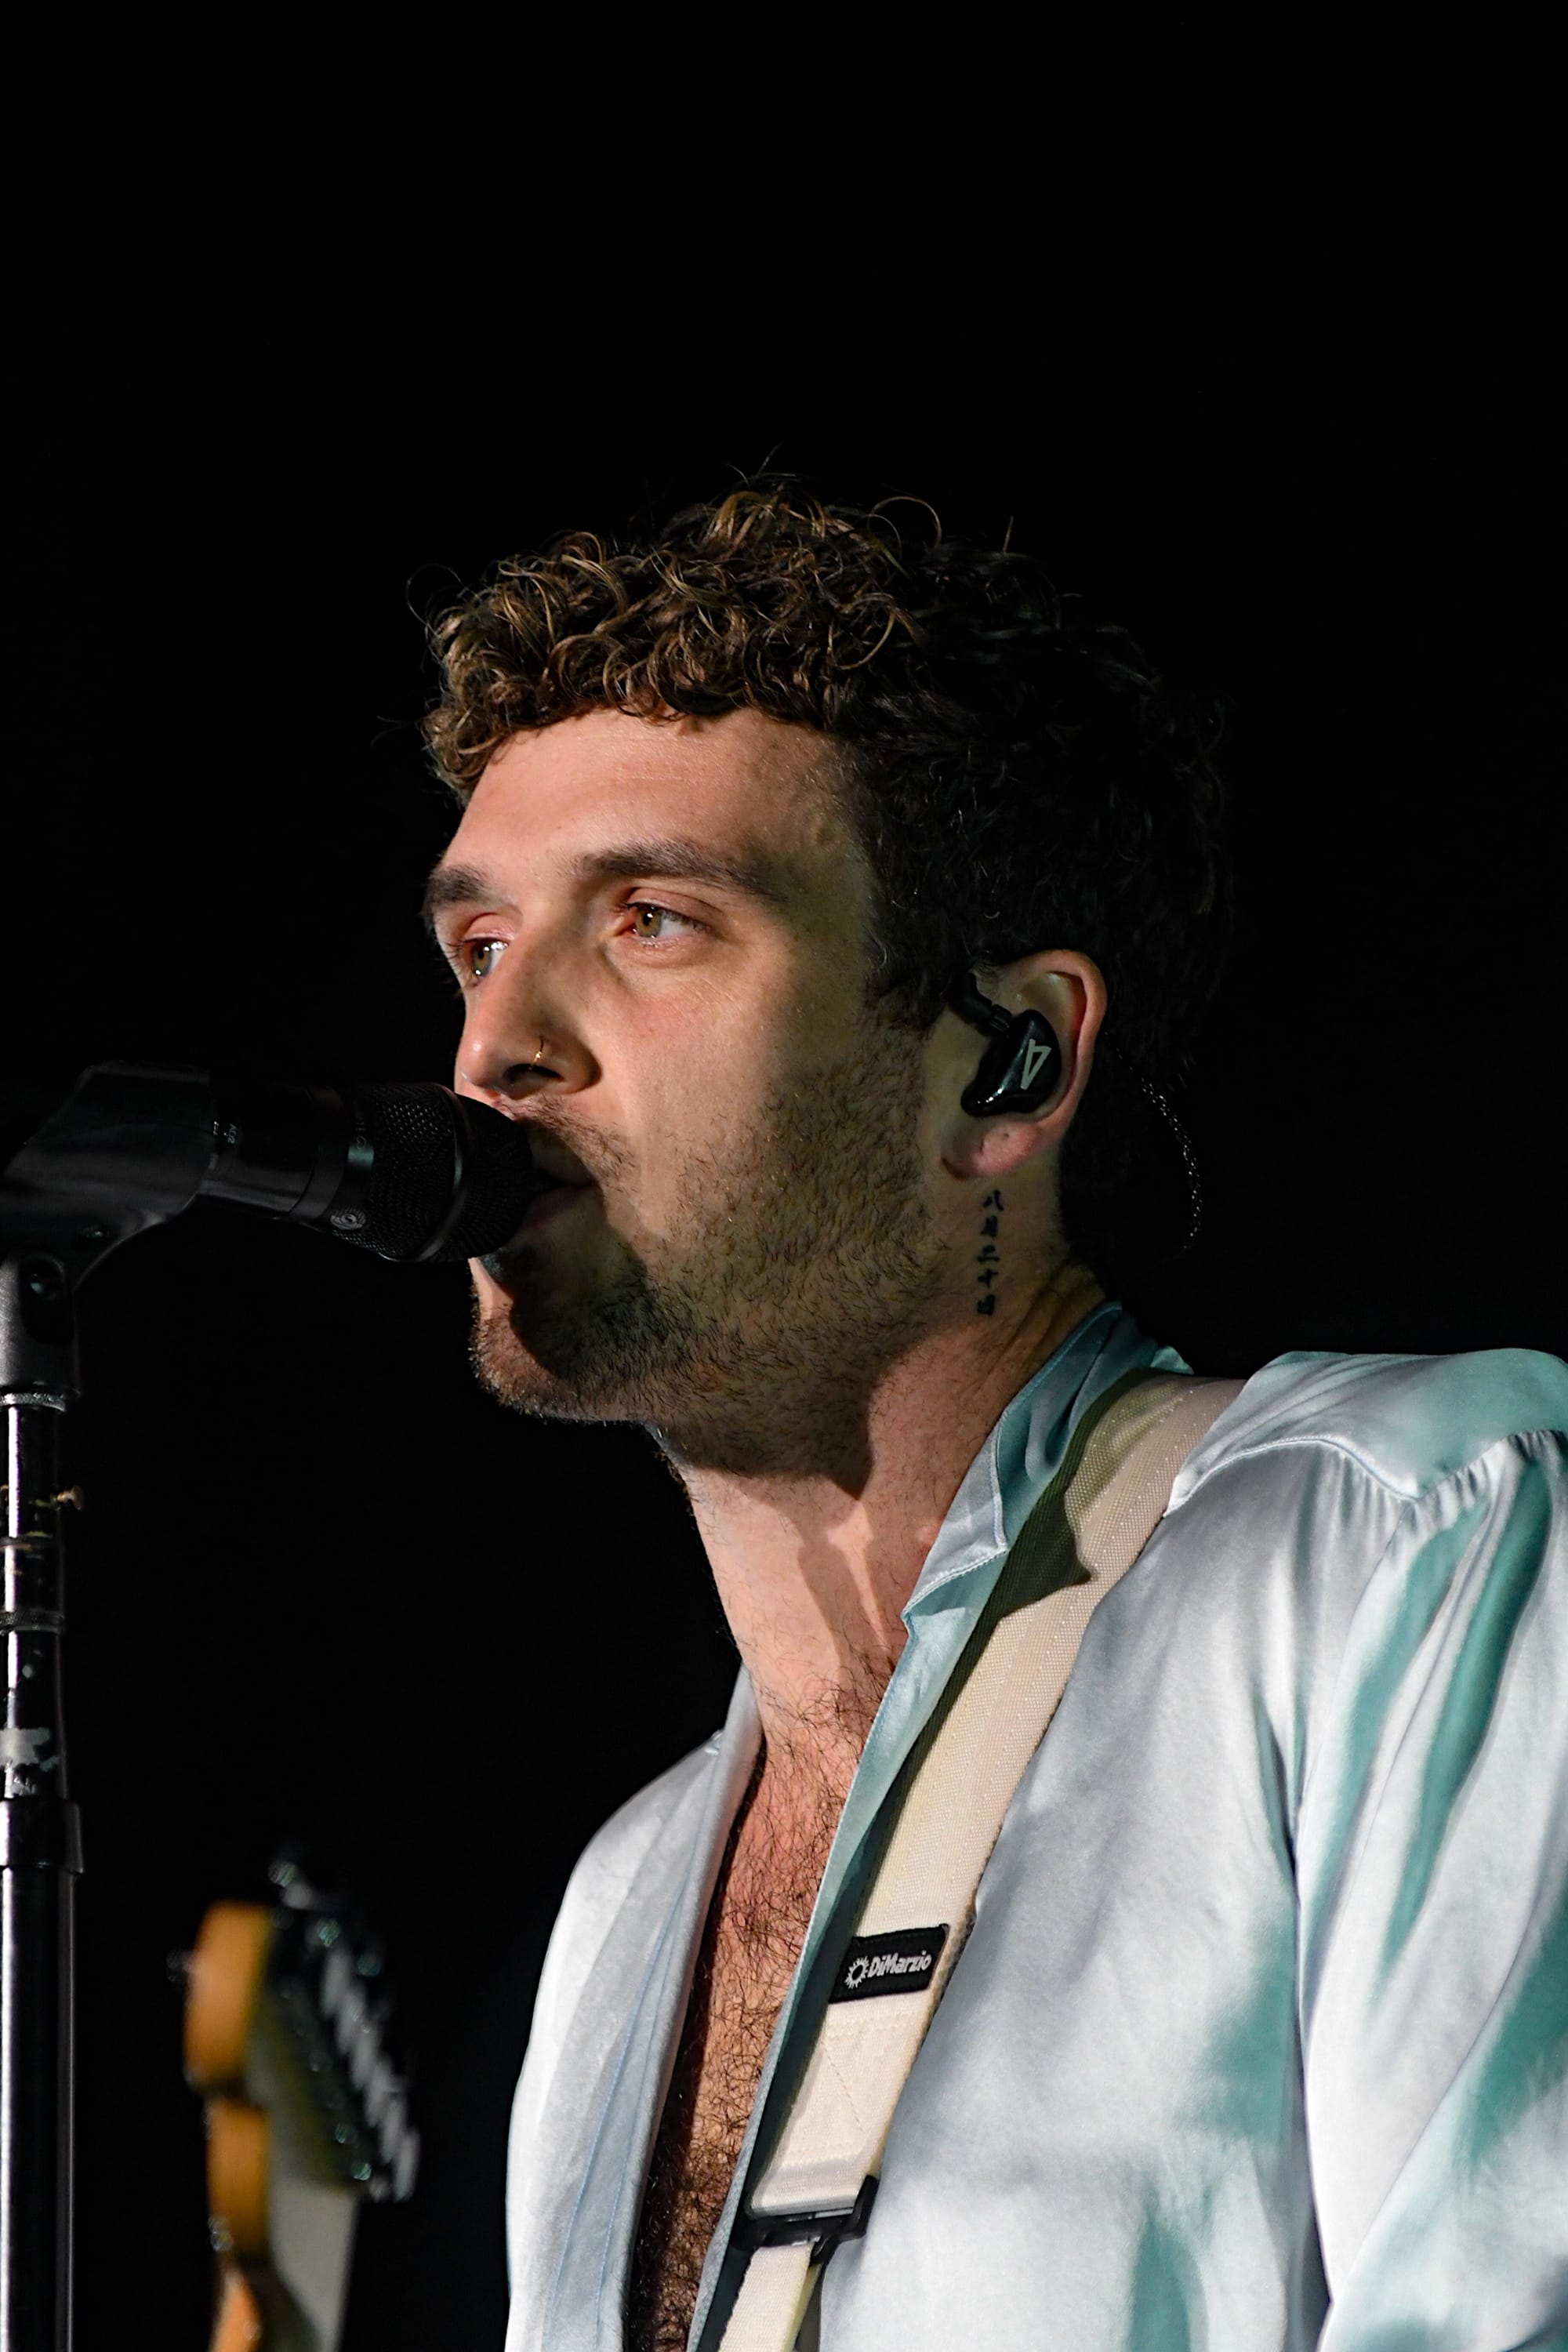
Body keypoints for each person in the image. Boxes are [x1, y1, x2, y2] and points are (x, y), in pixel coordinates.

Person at [416, 486, 1566, 2352]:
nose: (495, 1049)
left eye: (651, 920)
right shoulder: (627, 1897)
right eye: (478, 944)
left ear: (1008, 1062)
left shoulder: (1403, 1538)